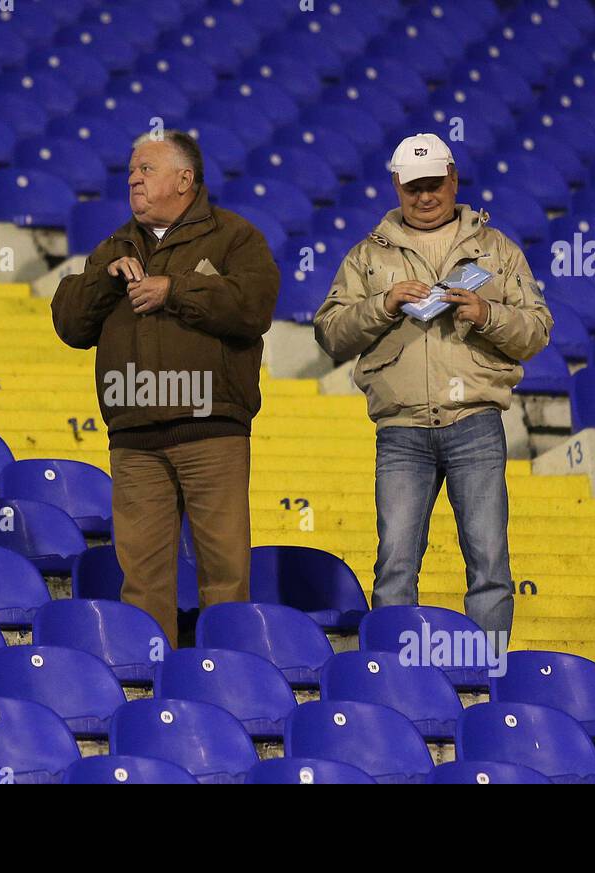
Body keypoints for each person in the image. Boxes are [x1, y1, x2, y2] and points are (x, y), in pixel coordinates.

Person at [313, 132, 553, 643]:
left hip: (476, 424)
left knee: (489, 563)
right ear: (397, 186)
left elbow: (537, 330)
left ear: (454, 179)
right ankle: (395, 677)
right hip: (401, 430)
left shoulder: (498, 251)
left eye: (434, 184)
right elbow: (330, 332)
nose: (425, 196)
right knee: (395, 564)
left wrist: (486, 313)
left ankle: (485, 680)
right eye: (413, 186)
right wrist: (383, 304)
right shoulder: (367, 257)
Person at [51, 130, 280, 647]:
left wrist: (176, 289)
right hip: (134, 439)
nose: (133, 177)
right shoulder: (113, 247)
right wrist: (102, 282)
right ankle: (157, 692)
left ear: (185, 179)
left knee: (224, 573)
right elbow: (69, 326)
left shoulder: (234, 237)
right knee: (143, 581)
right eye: (131, 171)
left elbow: (253, 306)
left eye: (146, 169)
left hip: (210, 429)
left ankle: (227, 678)